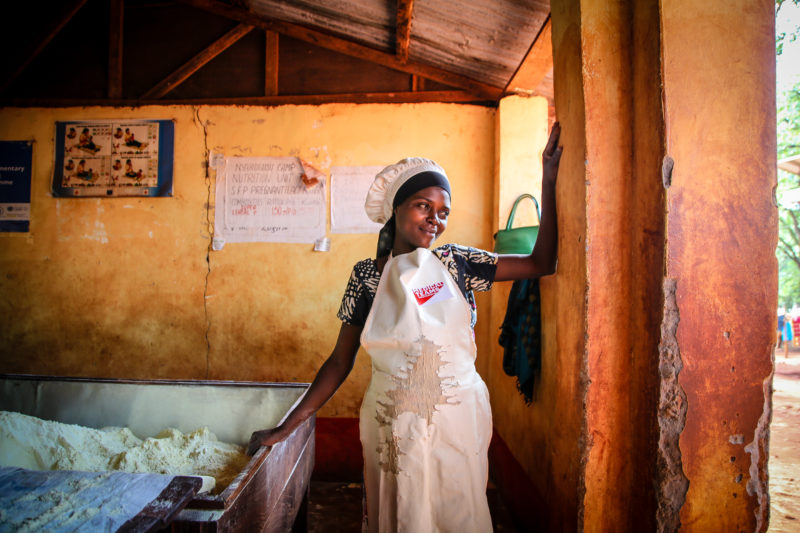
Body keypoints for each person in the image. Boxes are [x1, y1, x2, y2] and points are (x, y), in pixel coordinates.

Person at [248, 124, 563, 532]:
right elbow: (339, 361)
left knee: (458, 512)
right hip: (392, 423)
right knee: (402, 514)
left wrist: (549, 180)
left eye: (444, 212)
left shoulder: (457, 263)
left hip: (457, 418)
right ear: (396, 209)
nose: (435, 220)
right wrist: (286, 427)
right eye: (423, 206)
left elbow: (541, 263)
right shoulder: (366, 276)